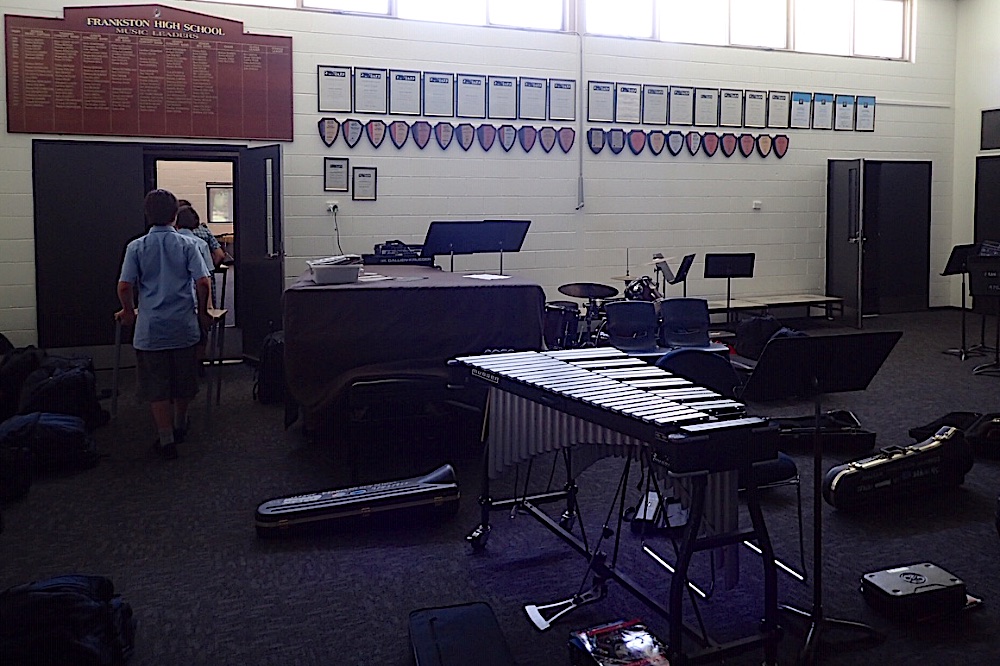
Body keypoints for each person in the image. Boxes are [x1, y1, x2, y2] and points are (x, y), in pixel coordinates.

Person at [117, 190, 211, 460]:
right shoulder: (188, 245)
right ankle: (181, 423)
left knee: (156, 386)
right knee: (183, 380)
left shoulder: (136, 247)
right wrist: (203, 311)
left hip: (151, 330)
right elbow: (203, 282)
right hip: (183, 326)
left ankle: (166, 438)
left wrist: (128, 311)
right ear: (174, 216)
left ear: (147, 215)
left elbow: (125, 286)